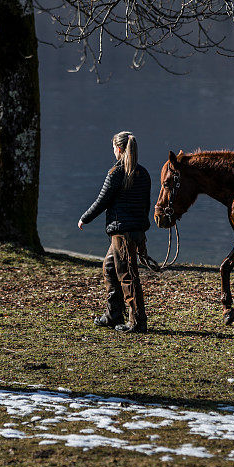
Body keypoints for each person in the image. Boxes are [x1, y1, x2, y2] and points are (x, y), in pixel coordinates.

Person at [78, 131, 151, 333]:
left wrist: (84, 218)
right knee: (110, 268)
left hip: (122, 234)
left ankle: (137, 321)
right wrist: (142, 229)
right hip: (136, 231)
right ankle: (113, 315)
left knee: (128, 275)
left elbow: (102, 201)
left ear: (118, 149)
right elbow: (146, 205)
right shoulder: (143, 173)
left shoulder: (116, 174)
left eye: (113, 148)